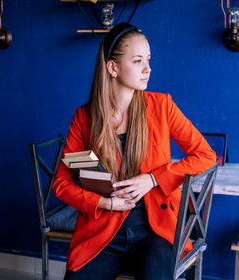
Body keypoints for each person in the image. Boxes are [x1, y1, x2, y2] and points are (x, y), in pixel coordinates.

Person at [53, 22, 216, 280]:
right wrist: (105, 202)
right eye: (138, 60)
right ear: (113, 68)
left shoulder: (162, 106)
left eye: (148, 60)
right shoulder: (85, 118)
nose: (147, 68)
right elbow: (62, 183)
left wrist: (152, 179)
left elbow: (206, 156)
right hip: (103, 235)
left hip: (154, 235)